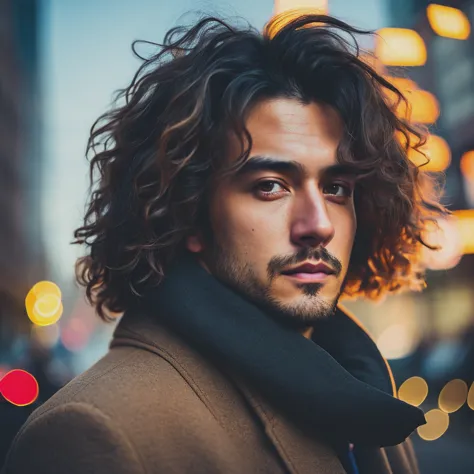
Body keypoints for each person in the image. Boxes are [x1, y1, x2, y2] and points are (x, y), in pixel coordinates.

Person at [2, 11, 446, 474]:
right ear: (188, 211)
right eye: (271, 185)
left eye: (337, 188)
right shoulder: (95, 433)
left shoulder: (368, 400)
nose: (319, 224)